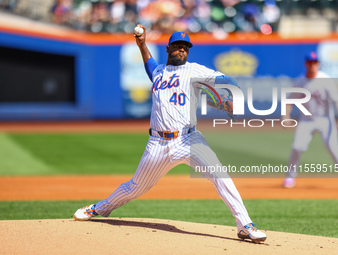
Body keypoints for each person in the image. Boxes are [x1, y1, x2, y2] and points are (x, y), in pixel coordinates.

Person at [73, 25, 267, 243]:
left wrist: (228, 99)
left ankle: (244, 225)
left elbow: (227, 81)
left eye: (185, 47)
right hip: (157, 142)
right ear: (168, 48)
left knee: (219, 174)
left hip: (188, 139)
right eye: (177, 46)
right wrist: (142, 44)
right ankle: (99, 209)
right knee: (135, 187)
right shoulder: (158, 73)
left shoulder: (194, 70)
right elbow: (150, 65)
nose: (182, 50)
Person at [282, 51, 338, 188]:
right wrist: (286, 116)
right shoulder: (300, 81)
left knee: (333, 149)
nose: (312, 65)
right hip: (307, 120)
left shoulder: (325, 80)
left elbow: (337, 100)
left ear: (318, 64)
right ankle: (290, 178)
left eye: (314, 62)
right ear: (305, 63)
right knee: (297, 147)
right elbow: (289, 101)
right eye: (310, 62)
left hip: (325, 120)